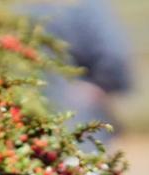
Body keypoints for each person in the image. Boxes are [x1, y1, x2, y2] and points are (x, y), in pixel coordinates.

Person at [25, 0, 132, 150]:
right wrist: (101, 86)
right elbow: (113, 58)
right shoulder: (86, 7)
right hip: (80, 127)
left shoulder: (13, 11)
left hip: (25, 133)